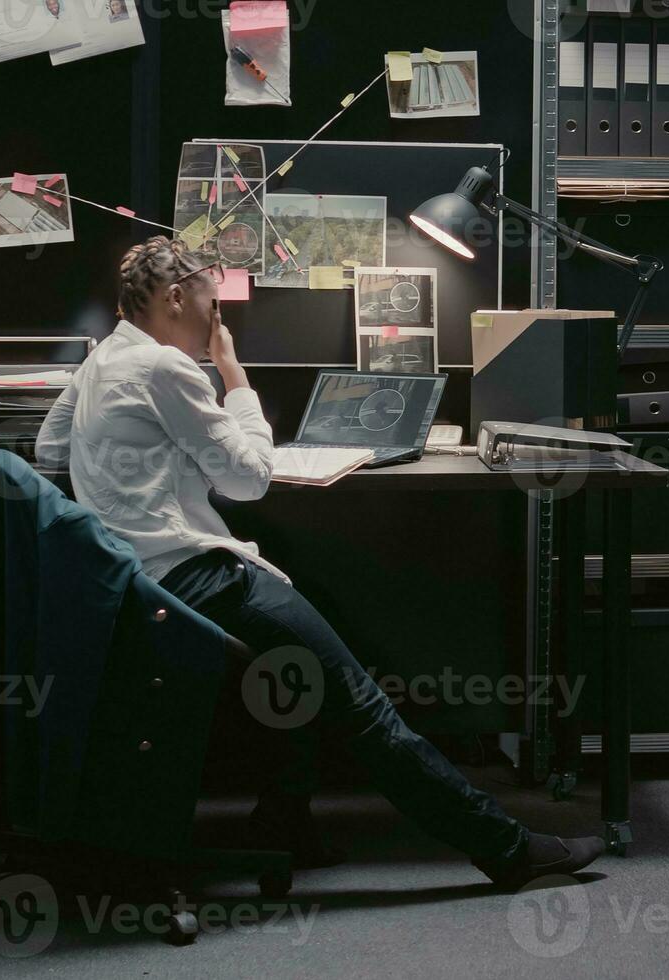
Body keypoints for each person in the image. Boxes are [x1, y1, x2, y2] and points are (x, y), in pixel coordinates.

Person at [35, 236, 604, 888]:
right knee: (362, 701)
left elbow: (52, 442)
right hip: (194, 578)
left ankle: (283, 820)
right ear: (173, 298)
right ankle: (506, 849)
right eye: (211, 306)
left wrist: (137, 480)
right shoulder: (167, 369)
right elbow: (251, 477)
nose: (218, 320)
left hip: (136, 578)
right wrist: (234, 375)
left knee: (311, 650)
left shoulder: (106, 357)